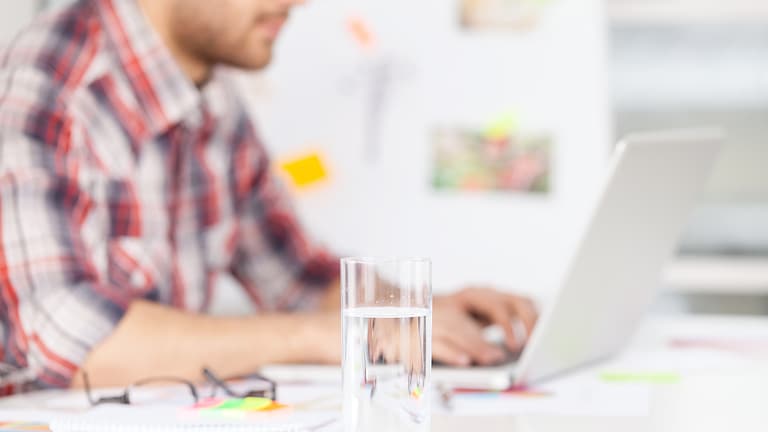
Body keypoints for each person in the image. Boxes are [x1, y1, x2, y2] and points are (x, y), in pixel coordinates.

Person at [0, 0, 537, 395]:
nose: (298, 3)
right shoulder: (54, 80)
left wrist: (422, 310)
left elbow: (299, 279)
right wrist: (334, 334)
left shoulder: (214, 102)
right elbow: (73, 346)